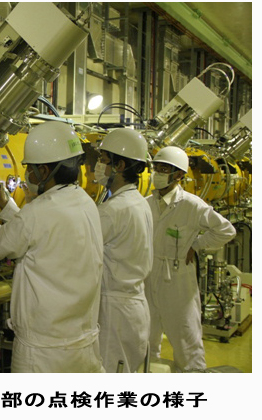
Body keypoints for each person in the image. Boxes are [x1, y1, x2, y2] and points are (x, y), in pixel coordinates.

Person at [0, 121, 105, 373]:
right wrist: (5, 204)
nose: (27, 175)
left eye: (29, 168)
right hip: (81, 345)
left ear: (43, 170)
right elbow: (38, 233)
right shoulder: (84, 202)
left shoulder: (39, 212)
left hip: (43, 353)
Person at [145, 146, 236, 372]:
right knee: (146, 337)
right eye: (156, 168)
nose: (157, 173)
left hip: (177, 278)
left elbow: (226, 231)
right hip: (148, 274)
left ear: (178, 175)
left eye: (164, 169)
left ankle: (193, 380)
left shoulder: (192, 205)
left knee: (186, 336)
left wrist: (197, 245)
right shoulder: (146, 203)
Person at [94, 128, 153, 373]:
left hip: (115, 312)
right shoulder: (139, 202)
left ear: (119, 165)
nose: (98, 166)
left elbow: (75, 245)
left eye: (103, 160)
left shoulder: (113, 210)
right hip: (132, 307)